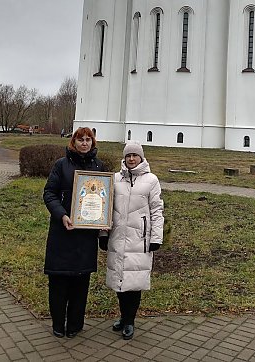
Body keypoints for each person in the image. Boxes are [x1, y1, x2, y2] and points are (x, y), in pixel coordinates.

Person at [99, 141, 164, 341]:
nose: (132, 159)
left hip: (140, 238)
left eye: (135, 155)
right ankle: (123, 315)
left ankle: (130, 321)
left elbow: (157, 209)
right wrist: (103, 234)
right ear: (124, 158)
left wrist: (156, 238)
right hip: (118, 236)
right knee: (120, 281)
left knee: (134, 282)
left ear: (141, 157)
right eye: (128, 156)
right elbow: (105, 207)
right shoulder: (115, 179)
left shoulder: (151, 180)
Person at [43, 127, 103, 338]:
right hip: (63, 230)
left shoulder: (98, 166)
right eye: (80, 140)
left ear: (92, 142)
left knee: (81, 281)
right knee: (59, 280)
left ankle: (75, 324)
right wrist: (61, 214)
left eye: (88, 140)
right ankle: (58, 323)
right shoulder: (61, 165)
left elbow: (105, 196)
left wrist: (103, 220)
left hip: (86, 234)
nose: (84, 143)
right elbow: (49, 193)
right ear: (73, 142)